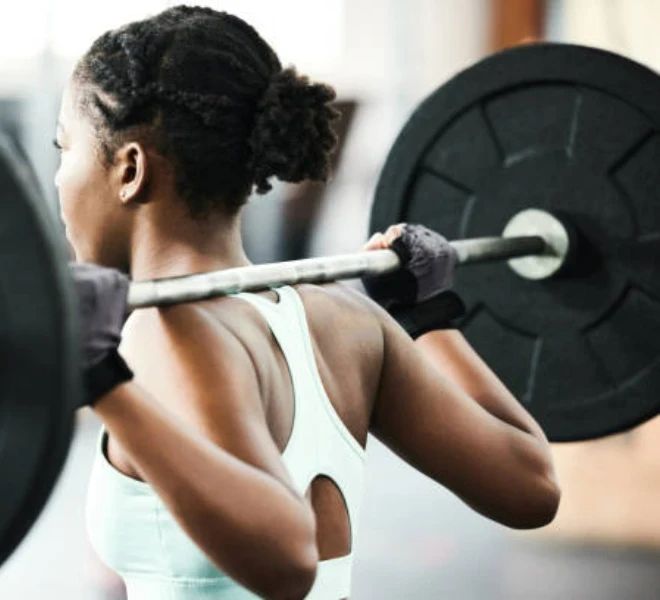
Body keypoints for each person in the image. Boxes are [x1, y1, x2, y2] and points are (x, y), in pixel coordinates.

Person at [61, 6, 560, 599]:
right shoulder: (351, 321)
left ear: (131, 169)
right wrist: (431, 314)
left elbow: (288, 561)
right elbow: (531, 483)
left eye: (64, 149)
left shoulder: (169, 331)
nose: (59, 178)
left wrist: (104, 383)